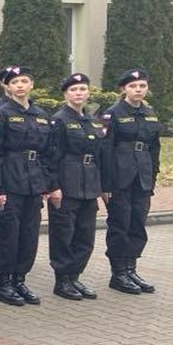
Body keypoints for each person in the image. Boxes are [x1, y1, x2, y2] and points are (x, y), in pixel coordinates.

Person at [0, 65, 58, 307]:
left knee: (29, 235)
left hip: (33, 182)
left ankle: (20, 280)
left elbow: (48, 153)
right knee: (9, 235)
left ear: (31, 85)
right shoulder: (1, 114)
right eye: (14, 82)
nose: (19, 86)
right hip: (10, 180)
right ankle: (4, 284)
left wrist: (47, 184)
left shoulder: (41, 115)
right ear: (7, 87)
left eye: (24, 81)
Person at [100, 68, 162, 295]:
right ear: (123, 89)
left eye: (142, 86)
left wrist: (152, 177)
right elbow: (105, 150)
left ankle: (131, 269)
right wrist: (106, 185)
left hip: (142, 177)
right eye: (133, 86)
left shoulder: (150, 113)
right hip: (120, 177)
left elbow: (154, 148)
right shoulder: (113, 113)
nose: (138, 90)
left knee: (137, 223)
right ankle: (118, 273)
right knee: (120, 224)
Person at [48, 72, 105, 301]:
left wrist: (102, 186)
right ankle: (62, 279)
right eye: (73, 90)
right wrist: (53, 186)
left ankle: (75, 276)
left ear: (88, 92)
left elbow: (99, 155)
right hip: (67, 183)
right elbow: (52, 156)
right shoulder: (59, 120)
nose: (78, 93)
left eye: (82, 89)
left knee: (85, 235)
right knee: (64, 234)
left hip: (89, 183)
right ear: (65, 94)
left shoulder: (91, 120)